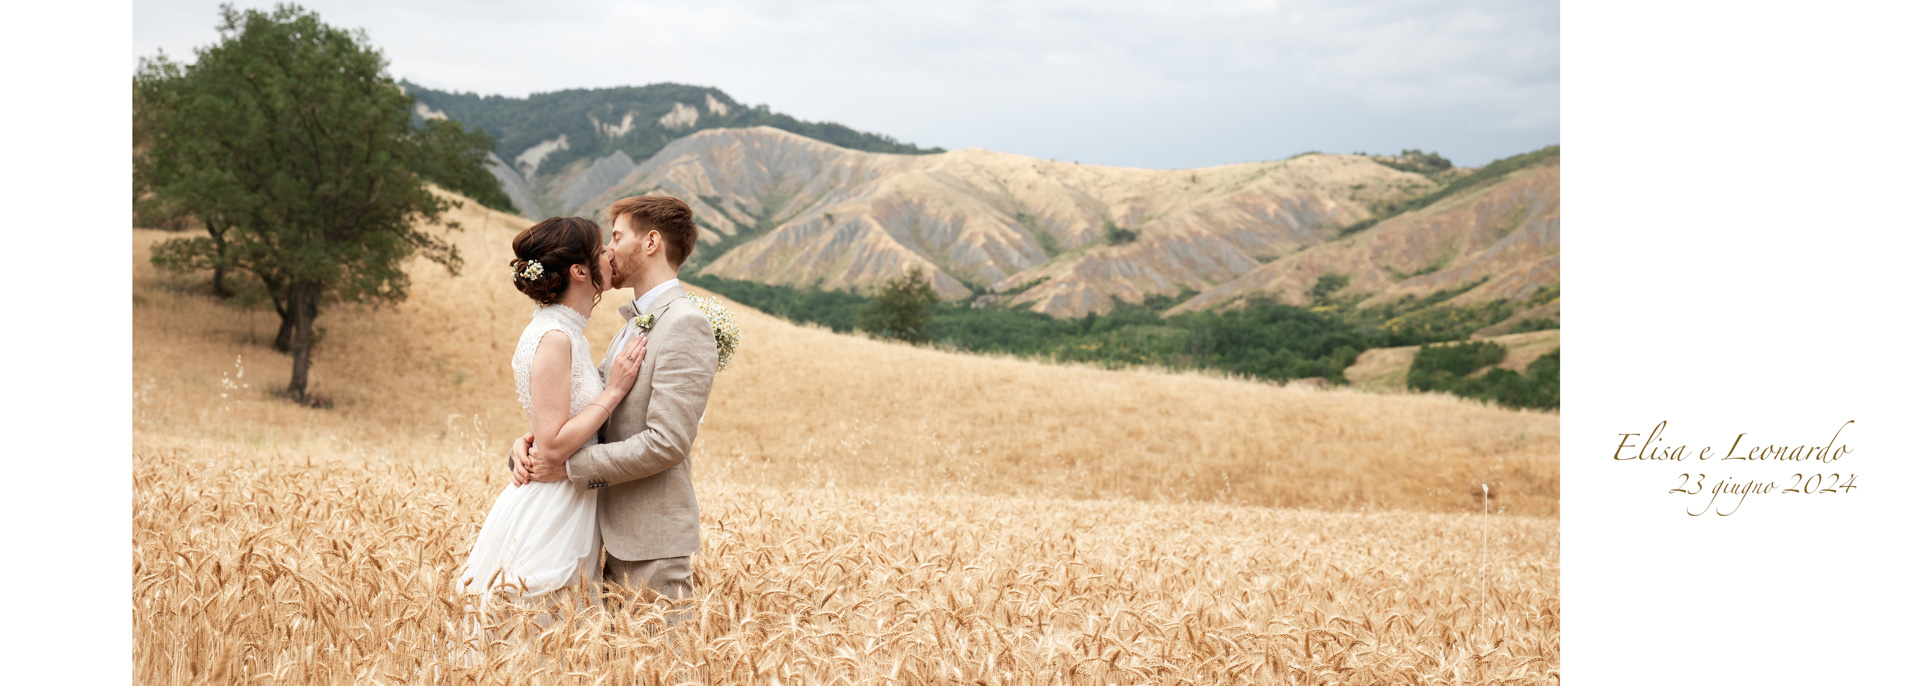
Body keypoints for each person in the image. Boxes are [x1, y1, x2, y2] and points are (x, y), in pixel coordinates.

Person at [512, 195, 719, 625]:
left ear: (651, 243)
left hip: (651, 546)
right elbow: (589, 416)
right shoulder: (630, 326)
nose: (607, 250)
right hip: (600, 537)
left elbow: (667, 443)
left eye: (618, 237)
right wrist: (530, 446)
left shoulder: (685, 324)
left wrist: (567, 467)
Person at [458, 216, 646, 611]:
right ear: (580, 271)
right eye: (601, 251)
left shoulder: (565, 332)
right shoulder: (555, 337)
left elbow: (550, 423)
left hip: (568, 500)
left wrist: (526, 439)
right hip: (553, 510)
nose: (610, 253)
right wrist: (613, 391)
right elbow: (554, 444)